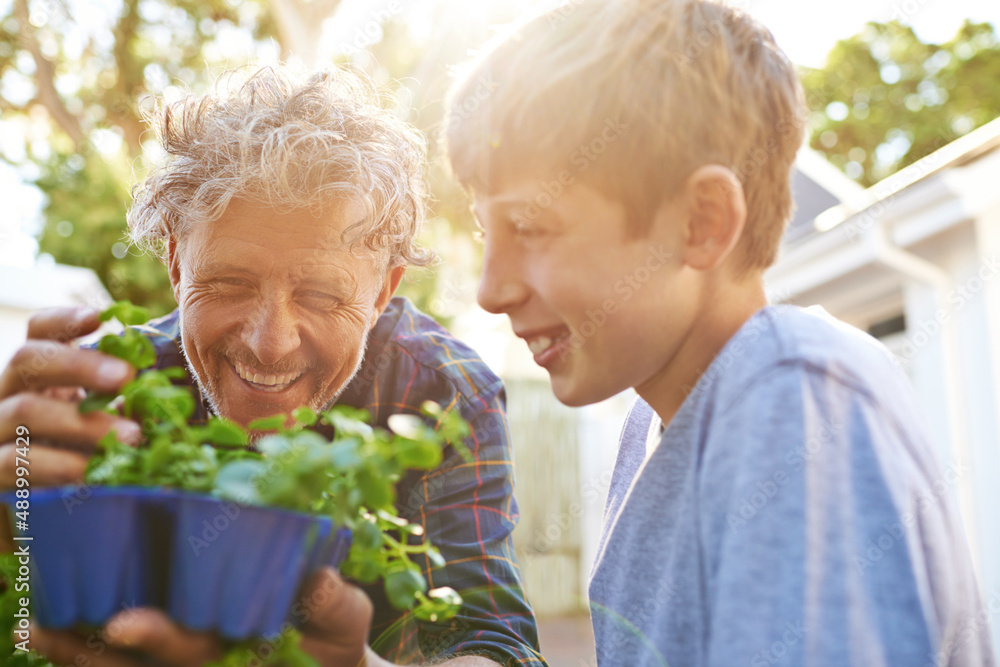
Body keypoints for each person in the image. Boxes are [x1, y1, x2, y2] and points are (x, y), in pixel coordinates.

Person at [444, 1, 997, 665]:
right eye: (486, 231)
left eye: (529, 228)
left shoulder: (790, 400)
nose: (490, 287)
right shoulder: (652, 431)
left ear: (700, 222)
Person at [0, 66, 545, 667]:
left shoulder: (443, 393)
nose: (269, 344)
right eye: (229, 284)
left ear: (383, 291)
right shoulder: (105, 396)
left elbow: (493, 643)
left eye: (320, 296)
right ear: (178, 265)